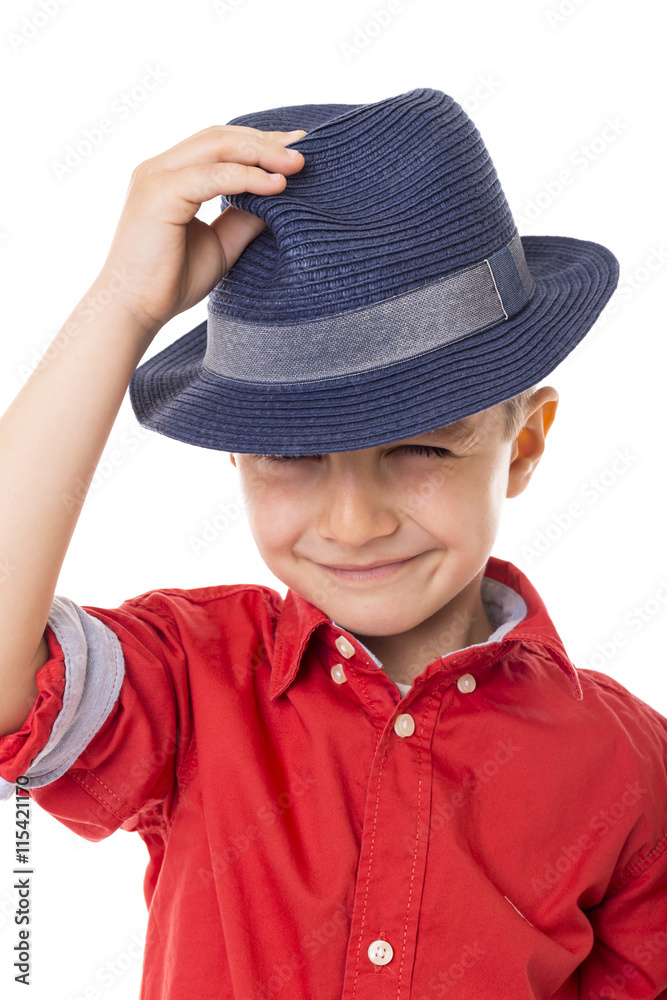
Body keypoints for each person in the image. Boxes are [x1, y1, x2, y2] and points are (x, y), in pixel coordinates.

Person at [0, 87, 665, 1000]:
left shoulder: (630, 766)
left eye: (423, 448)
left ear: (525, 446)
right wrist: (121, 305)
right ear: (236, 457)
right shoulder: (192, 677)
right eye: (292, 456)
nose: (353, 523)